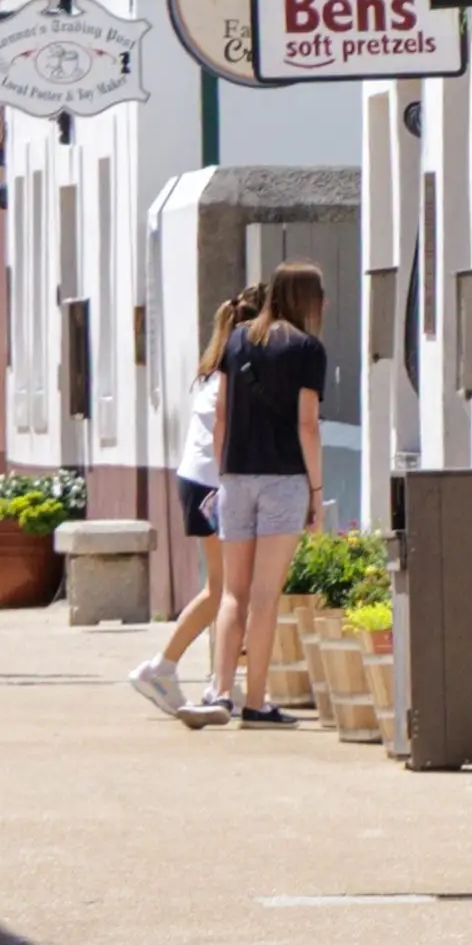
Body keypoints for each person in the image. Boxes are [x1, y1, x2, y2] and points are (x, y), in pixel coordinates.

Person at [201, 260, 331, 726]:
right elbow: (307, 426)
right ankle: (256, 701)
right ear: (307, 300)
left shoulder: (237, 341)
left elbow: (220, 418)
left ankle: (219, 693)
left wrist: (225, 473)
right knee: (264, 596)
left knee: (232, 593)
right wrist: (315, 491)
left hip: (235, 477)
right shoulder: (308, 349)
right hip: (283, 481)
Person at [134, 276, 258, 724]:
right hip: (212, 483)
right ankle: (161, 666)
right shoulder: (236, 373)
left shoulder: (213, 368)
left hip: (197, 479)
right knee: (225, 590)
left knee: (225, 588)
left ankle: (216, 677)